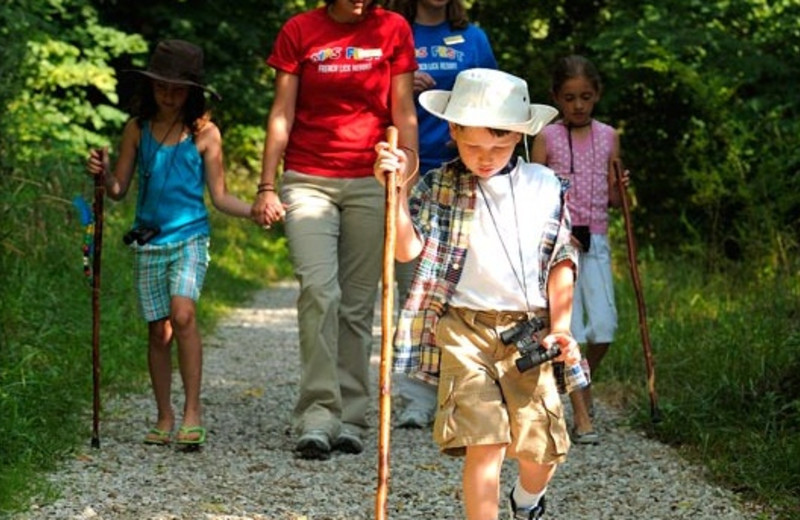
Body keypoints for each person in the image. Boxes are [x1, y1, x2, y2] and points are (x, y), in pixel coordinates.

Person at [374, 68, 580, 520]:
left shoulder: (544, 186)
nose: (484, 158)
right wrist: (395, 192)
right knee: (484, 443)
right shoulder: (439, 185)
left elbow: (561, 259)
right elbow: (407, 249)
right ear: (452, 131)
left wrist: (561, 328)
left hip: (529, 330)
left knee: (540, 450)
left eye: (499, 146)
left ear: (521, 136)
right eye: (472, 146)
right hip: (463, 329)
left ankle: (526, 501)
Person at [251, 0, 418, 460]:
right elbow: (282, 112)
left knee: (357, 304)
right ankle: (317, 415)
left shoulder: (393, 28)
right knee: (319, 290)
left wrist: (405, 179)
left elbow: (403, 113)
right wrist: (267, 185)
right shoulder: (300, 30)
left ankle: (351, 417)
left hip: (372, 179)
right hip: (307, 178)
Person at [86, 40, 254, 448]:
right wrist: (103, 173)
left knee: (182, 316)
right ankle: (164, 415)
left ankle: (192, 412)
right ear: (151, 86)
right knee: (157, 332)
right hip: (149, 240)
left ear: (192, 92)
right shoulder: (137, 129)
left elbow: (221, 197)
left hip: (190, 237)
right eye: (162, 86)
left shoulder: (205, 133)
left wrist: (257, 208)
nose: (168, 94)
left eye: (178, 88)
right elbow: (119, 189)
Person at [387, 0, 498, 429]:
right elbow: (366, 99)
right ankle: (415, 395)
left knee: (464, 282)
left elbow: (492, 102)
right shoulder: (396, 31)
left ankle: (462, 387)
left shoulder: (474, 38)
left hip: (460, 170)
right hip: (412, 168)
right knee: (414, 282)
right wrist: (396, 86)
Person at [532, 54, 629, 445]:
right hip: (559, 243)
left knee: (603, 328)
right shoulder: (546, 137)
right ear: (556, 97)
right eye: (569, 97)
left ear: (597, 95)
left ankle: (578, 380)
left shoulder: (609, 136)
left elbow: (616, 201)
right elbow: (533, 192)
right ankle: (582, 415)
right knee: (567, 328)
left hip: (597, 240)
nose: (578, 105)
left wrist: (622, 187)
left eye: (585, 97)